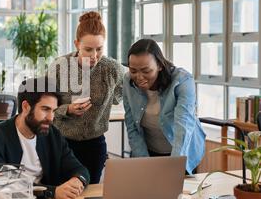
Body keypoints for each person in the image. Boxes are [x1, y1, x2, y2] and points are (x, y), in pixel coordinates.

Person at [0, 77, 90, 199]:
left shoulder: (52, 134)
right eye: (45, 109)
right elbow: (0, 184)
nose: (51, 118)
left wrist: (77, 180)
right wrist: (52, 192)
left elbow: (80, 169)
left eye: (54, 111)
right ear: (26, 107)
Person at [50, 11, 125, 184]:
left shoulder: (112, 68)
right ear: (77, 44)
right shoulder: (60, 67)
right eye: (88, 49)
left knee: (90, 195)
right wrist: (67, 109)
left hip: (94, 145)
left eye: (99, 49)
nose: (94, 56)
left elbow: (125, 91)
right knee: (63, 194)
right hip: (62, 143)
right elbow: (45, 107)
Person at [123, 38, 205, 175]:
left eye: (146, 71)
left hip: (182, 150)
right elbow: (132, 126)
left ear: (160, 65)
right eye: (133, 70)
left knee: (179, 194)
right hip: (149, 150)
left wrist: (173, 167)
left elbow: (183, 126)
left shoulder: (182, 80)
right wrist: (144, 163)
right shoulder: (127, 81)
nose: (139, 77)